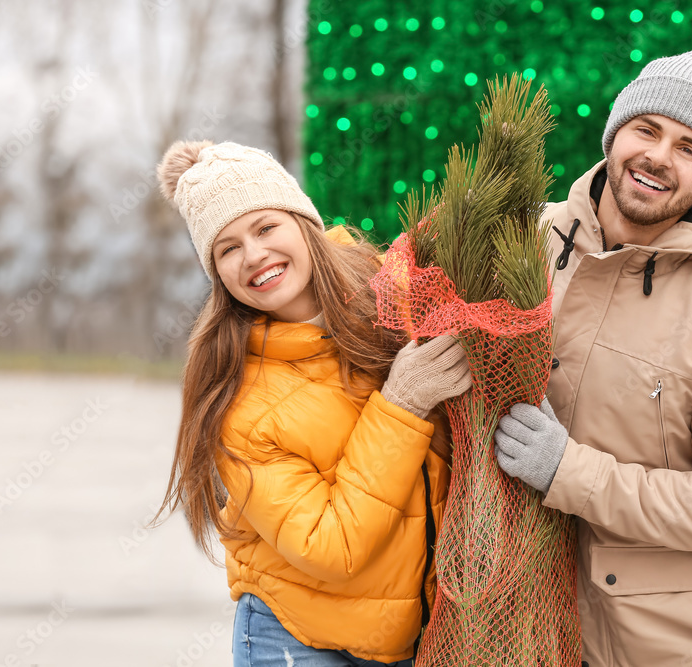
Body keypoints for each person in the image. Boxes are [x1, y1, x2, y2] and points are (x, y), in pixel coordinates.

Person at [494, 47, 692, 665]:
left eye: (689, 148)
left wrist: (566, 472)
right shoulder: (526, 240)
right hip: (542, 628)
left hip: (688, 645)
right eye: (648, 129)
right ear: (616, 132)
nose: (658, 156)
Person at [154, 140, 471, 667]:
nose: (253, 255)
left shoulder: (387, 299)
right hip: (300, 640)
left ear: (304, 223)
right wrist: (402, 404)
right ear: (218, 275)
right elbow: (333, 545)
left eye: (264, 228)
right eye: (227, 248)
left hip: (413, 634)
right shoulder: (238, 403)